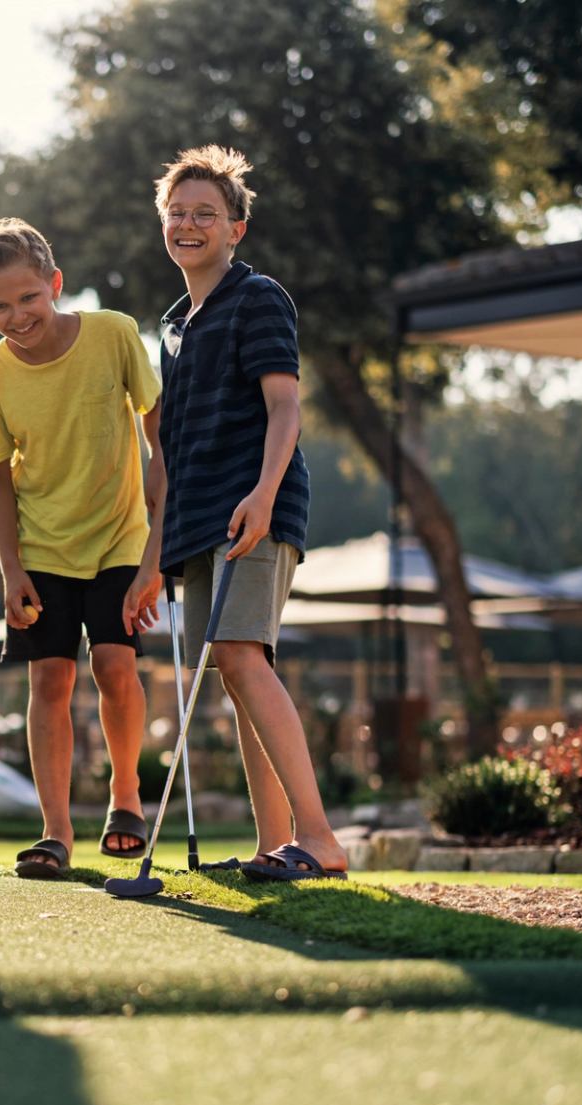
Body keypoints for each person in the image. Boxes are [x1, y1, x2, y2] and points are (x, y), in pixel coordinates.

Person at [147, 146, 347, 879]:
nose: (189, 224)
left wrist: (262, 496)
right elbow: (165, 451)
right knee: (235, 670)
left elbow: (284, 405)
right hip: (198, 521)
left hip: (253, 506)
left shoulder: (258, 296)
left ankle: (320, 839)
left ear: (236, 229)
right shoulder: (171, 326)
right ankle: (274, 844)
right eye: (178, 213)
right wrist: (154, 555)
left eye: (206, 213)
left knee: (240, 657)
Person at [0, 218, 164, 879]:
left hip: (119, 534)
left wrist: (159, 548)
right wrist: (10, 568)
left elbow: (160, 436)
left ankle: (126, 796)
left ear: (55, 283)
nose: (16, 316)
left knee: (113, 665)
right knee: (49, 678)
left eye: (27, 298)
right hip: (41, 543)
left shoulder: (113, 334)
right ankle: (54, 832)